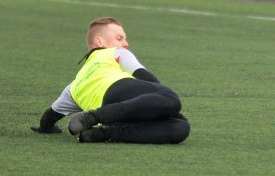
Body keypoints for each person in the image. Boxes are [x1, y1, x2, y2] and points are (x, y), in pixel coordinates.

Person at [31, 17, 190, 144]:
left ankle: (101, 133)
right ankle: (94, 117)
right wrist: (161, 107)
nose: (125, 43)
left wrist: (47, 129)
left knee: (181, 127)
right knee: (171, 99)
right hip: (122, 92)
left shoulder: (73, 87)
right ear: (100, 42)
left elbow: (49, 117)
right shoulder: (115, 52)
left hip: (116, 118)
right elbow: (147, 78)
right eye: (119, 38)